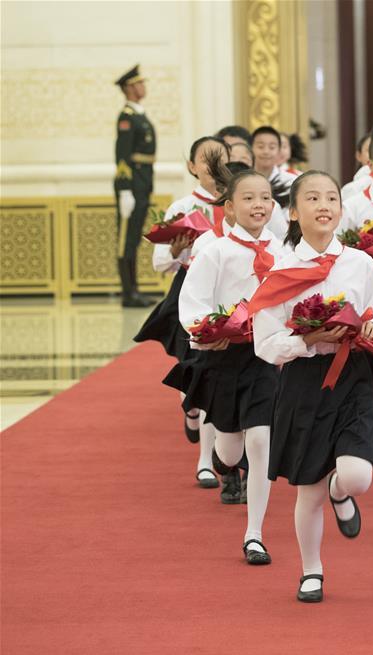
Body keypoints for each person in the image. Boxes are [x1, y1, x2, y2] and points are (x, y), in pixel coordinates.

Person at [251, 171, 373, 603]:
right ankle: (311, 570)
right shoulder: (281, 272)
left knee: (357, 476)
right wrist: (307, 340)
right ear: (293, 212)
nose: (324, 205)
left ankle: (341, 491)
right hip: (304, 381)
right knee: (307, 488)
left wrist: (370, 325)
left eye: (331, 197)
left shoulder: (359, 262)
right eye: (312, 198)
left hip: (353, 374)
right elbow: (265, 343)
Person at [175, 170, 284, 565]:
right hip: (222, 357)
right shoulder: (216, 251)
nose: (259, 205)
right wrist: (206, 331)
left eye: (265, 198)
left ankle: (254, 533)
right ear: (230, 208)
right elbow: (194, 303)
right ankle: (221, 457)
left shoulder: (285, 250)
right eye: (249, 198)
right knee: (231, 445)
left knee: (259, 442)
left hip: (263, 359)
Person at [134, 136, 229, 489]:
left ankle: (207, 459)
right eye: (206, 159)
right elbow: (161, 263)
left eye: (221, 157)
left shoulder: (236, 202)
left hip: (230, 298)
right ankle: (195, 424)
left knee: (208, 377)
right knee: (195, 371)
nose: (214, 164)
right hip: (190, 293)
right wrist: (176, 250)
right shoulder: (184, 205)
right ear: (191, 166)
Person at [113, 65, 156, 308]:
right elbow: (122, 156)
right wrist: (125, 189)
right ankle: (128, 293)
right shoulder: (127, 117)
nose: (143, 87)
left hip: (143, 182)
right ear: (130, 88)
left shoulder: (139, 114)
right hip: (132, 184)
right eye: (139, 83)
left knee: (134, 239)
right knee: (126, 240)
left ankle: (134, 290)